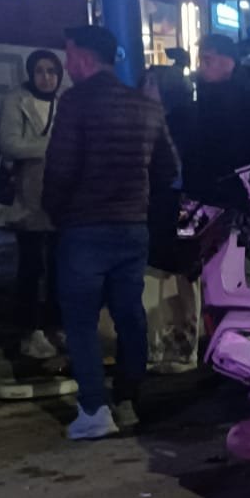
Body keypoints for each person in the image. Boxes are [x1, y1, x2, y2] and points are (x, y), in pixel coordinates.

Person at [42, 25, 178, 440]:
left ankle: (93, 408)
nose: (66, 65)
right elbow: (168, 170)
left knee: (81, 322)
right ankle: (129, 400)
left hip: (85, 229)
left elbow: (60, 170)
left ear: (84, 57)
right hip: (132, 227)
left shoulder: (75, 103)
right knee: (129, 315)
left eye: (69, 56)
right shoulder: (146, 107)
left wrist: (56, 212)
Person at [0, 49, 65, 362]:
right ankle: (29, 329)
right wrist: (56, 147)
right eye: (40, 71)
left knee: (61, 267)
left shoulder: (67, 101)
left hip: (63, 199)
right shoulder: (15, 100)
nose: (46, 77)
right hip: (28, 199)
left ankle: (55, 324)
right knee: (32, 267)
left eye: (52, 71)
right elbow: (10, 144)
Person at [175, 34, 250, 203]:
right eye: (201, 60)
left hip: (235, 198)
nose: (201, 67)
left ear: (228, 63)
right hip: (203, 197)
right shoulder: (199, 101)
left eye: (208, 60)